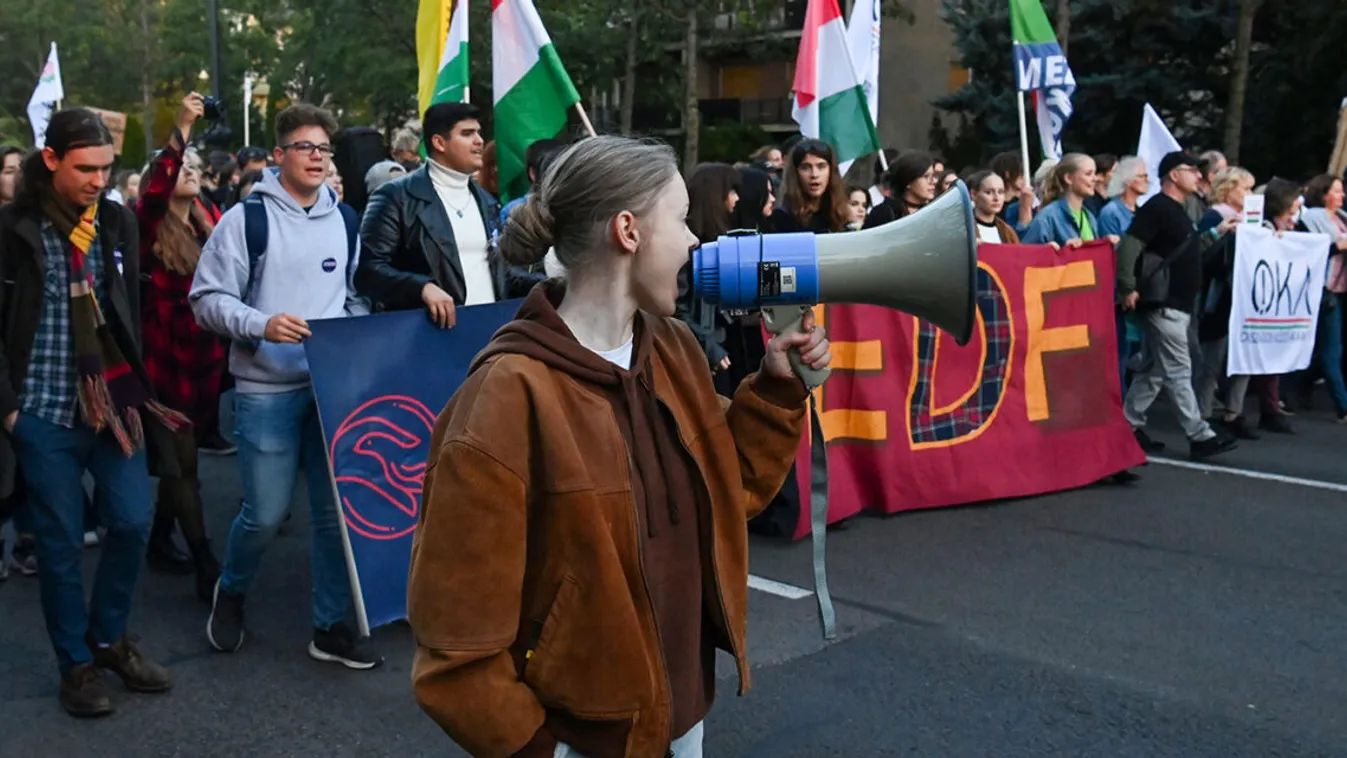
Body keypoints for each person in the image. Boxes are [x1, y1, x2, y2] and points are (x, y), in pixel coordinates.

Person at [405, 134, 831, 758]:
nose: (693, 241)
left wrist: (774, 391)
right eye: (681, 220)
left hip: (682, 717)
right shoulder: (504, 399)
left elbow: (729, 485)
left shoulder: (674, 348)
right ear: (627, 231)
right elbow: (455, 650)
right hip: (579, 741)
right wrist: (538, 750)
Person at [0, 108, 187, 716]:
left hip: (114, 403)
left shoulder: (113, 223)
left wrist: (141, 385)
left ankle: (108, 639)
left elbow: (126, 309)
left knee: (132, 521)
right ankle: (75, 667)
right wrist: (10, 411)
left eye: (106, 168)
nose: (98, 180)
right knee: (57, 545)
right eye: (85, 168)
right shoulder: (13, 229)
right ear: (50, 160)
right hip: (44, 413)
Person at [190, 103, 380, 668]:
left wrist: (347, 332)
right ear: (279, 156)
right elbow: (205, 300)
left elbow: (352, 294)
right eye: (305, 147)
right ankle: (232, 588)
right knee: (265, 513)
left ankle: (330, 627)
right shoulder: (245, 220)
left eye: (324, 148)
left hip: (329, 390)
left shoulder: (345, 219)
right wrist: (261, 323)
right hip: (265, 391)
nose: (318, 157)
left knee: (332, 516)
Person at [136, 93, 225, 603]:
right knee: (183, 462)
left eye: (194, 164)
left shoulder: (208, 220)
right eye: (180, 166)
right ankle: (204, 560)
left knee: (179, 458)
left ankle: (156, 541)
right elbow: (156, 187)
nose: (189, 169)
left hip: (204, 358)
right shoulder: (146, 223)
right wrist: (184, 125)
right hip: (164, 360)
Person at [356, 102, 530, 327]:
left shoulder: (486, 201)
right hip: (429, 336)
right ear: (439, 142)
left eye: (479, 133)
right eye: (467, 134)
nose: (479, 141)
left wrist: (556, 283)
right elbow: (367, 271)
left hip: (489, 332)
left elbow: (502, 272)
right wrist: (422, 288)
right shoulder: (395, 197)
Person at [1115, 151, 1239, 460]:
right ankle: (1199, 434)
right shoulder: (1157, 208)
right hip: (1163, 303)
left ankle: (1127, 425)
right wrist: (1128, 287)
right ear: (1173, 175)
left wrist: (1213, 234)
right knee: (1179, 368)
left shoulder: (1177, 210)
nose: (1198, 175)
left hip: (1177, 304)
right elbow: (1129, 246)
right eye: (1191, 170)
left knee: (1155, 369)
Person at [1023, 153, 1118, 248]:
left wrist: (1104, 243)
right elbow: (1028, 255)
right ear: (1068, 178)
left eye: (1094, 173)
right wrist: (1060, 251)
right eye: (1088, 174)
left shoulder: (1089, 216)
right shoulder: (1048, 216)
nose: (1095, 178)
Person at [865, 150, 936, 228]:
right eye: (926, 176)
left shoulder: (933, 212)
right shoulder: (884, 214)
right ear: (908, 181)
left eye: (933, 176)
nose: (933, 181)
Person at [966, 170, 1019, 244]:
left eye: (1000, 192)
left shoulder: (1008, 232)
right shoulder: (963, 230)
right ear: (974, 194)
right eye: (989, 192)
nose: (996, 198)